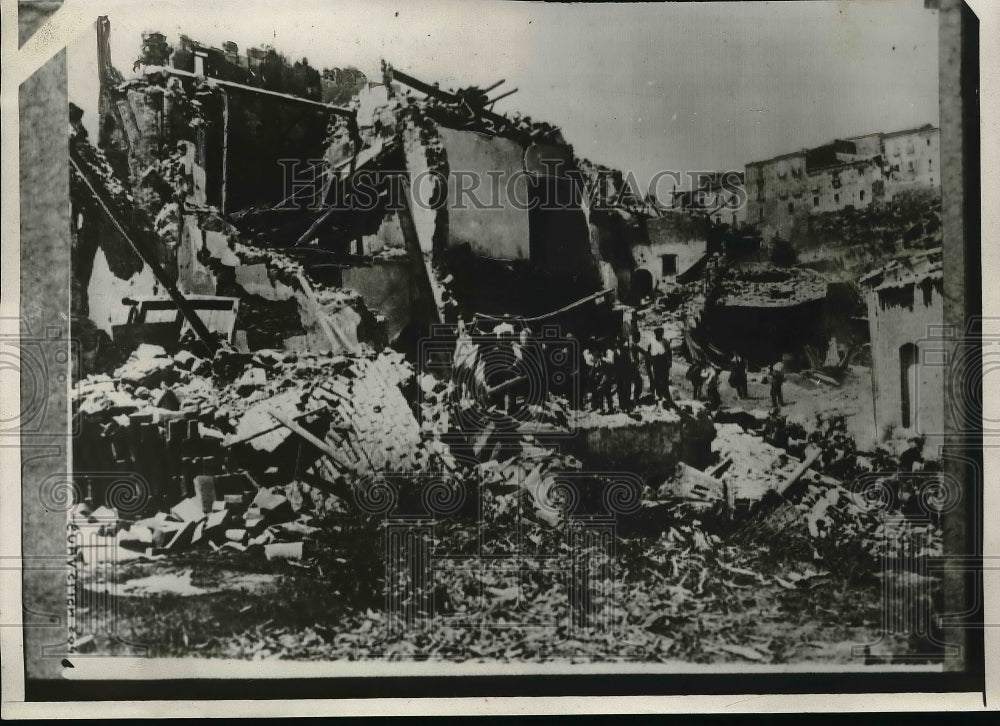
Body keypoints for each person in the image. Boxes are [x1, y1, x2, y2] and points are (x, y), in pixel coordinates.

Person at [647, 327, 674, 408]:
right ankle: (658, 396)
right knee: (656, 379)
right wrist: (649, 363)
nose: (660, 334)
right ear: (655, 333)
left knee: (665, 380)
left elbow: (669, 352)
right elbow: (649, 352)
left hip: (663, 362)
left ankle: (666, 397)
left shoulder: (665, 342)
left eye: (661, 333)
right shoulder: (652, 341)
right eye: (658, 333)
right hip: (655, 361)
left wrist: (670, 362)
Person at [613, 337, 637, 412]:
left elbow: (630, 361)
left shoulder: (626, 351)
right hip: (619, 373)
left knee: (627, 389)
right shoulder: (615, 352)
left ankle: (627, 404)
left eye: (620, 343)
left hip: (626, 372)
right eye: (618, 343)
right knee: (620, 389)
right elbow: (615, 364)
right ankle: (622, 405)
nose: (619, 345)